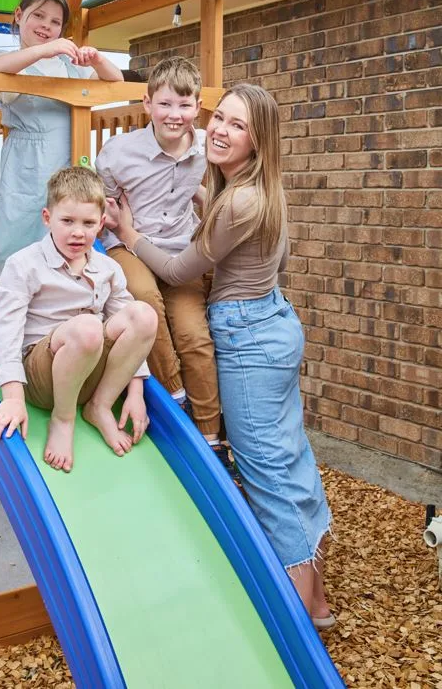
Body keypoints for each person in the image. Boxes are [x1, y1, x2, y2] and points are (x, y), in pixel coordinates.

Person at [109, 83, 334, 625]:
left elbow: (180, 272)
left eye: (237, 125)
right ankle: (319, 600)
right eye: (220, 118)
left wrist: (129, 233)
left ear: (258, 142)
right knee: (289, 455)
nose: (218, 130)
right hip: (274, 322)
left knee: (265, 474)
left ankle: (295, 623)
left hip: (247, 337)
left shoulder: (242, 200)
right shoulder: (252, 190)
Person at [96, 59, 229, 472]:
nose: (175, 115)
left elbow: (217, 189)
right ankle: (174, 400)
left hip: (180, 254)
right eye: (165, 104)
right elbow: (104, 206)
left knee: (194, 334)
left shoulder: (207, 147)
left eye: (185, 105)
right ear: (147, 103)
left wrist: (208, 202)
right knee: (143, 299)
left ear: (198, 107)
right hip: (130, 247)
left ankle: (210, 437)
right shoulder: (118, 153)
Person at [0, 166, 158, 473]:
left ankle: (99, 406)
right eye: (67, 221)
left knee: (143, 315)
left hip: (90, 373)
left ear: (101, 223)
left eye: (88, 223)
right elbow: (4, 331)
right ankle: (63, 420)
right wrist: (13, 396)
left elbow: (131, 336)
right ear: (47, 218)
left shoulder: (108, 268)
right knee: (89, 327)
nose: (77, 232)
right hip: (44, 375)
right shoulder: (25, 265)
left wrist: (135, 393)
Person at [0, 0, 123, 279]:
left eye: (55, 22)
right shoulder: (11, 60)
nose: (46, 26)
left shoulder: (69, 64)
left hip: (68, 156)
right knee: (16, 239)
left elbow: (116, 80)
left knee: (62, 227)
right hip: (28, 160)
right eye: (39, 16)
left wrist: (97, 59)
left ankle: (54, 277)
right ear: (19, 15)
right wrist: (41, 51)